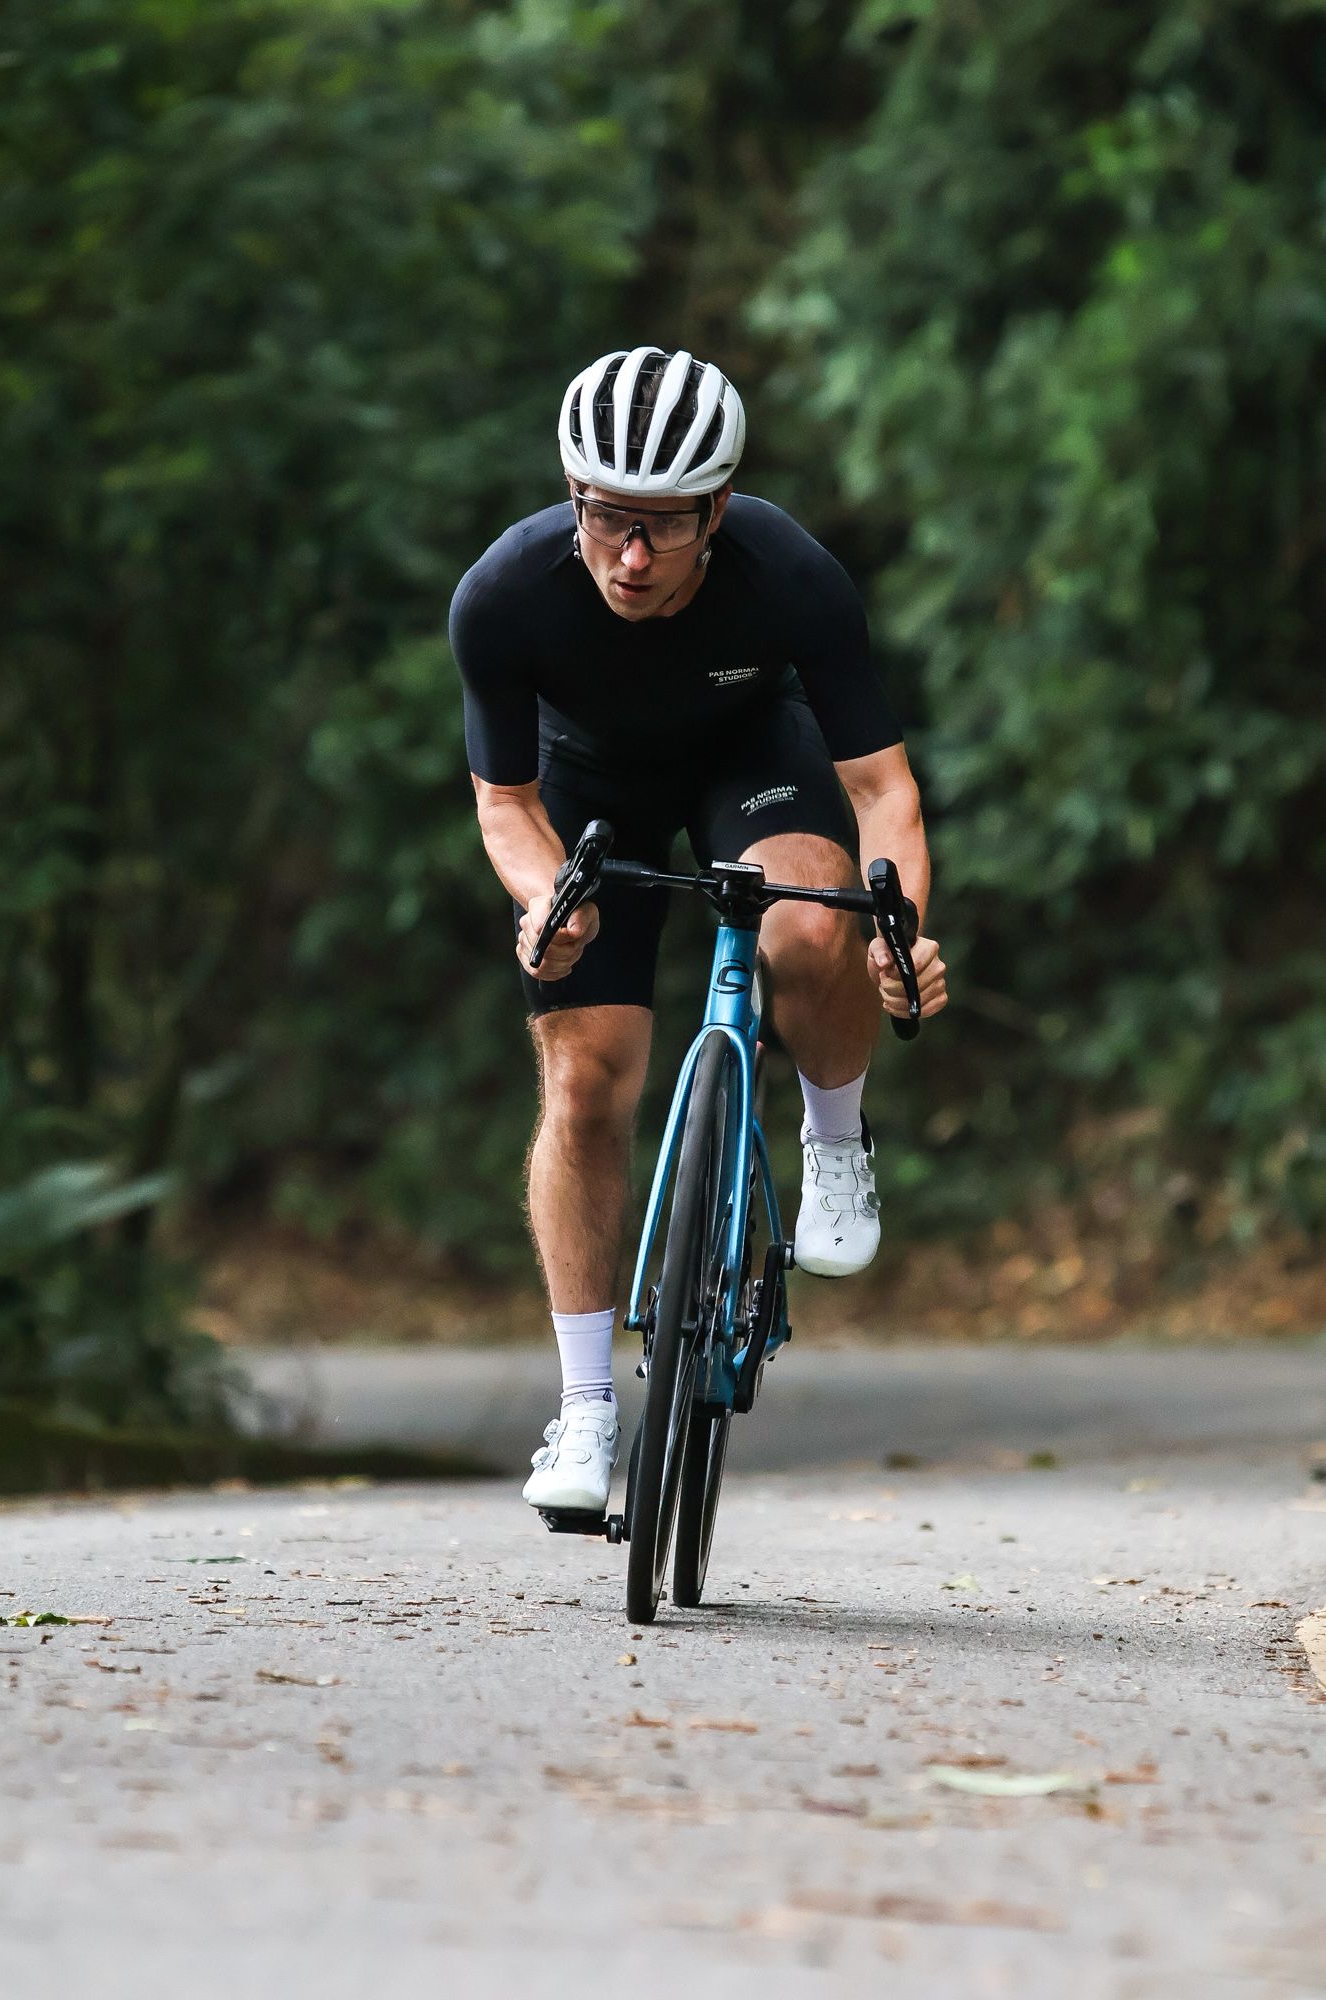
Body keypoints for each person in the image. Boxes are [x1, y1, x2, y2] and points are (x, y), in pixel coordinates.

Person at [450, 345, 947, 1517]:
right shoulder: (505, 592)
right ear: (572, 496)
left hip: (748, 758)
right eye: (607, 516)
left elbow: (881, 789)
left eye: (665, 524)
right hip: (586, 785)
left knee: (812, 924)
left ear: (716, 510)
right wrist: (546, 904)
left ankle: (835, 1140)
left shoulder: (791, 572)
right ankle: (585, 1408)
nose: (631, 554)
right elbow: (505, 803)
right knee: (584, 1079)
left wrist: (897, 933)